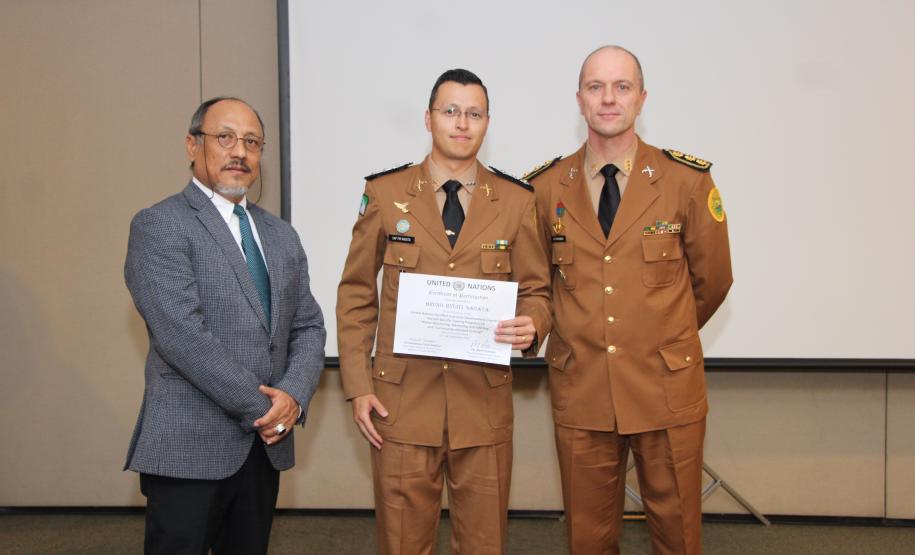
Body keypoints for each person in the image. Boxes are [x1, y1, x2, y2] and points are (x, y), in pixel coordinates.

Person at [526, 46, 733, 555]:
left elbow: (713, 281)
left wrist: (661, 333)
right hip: (583, 388)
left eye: (621, 87)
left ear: (642, 98)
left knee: (677, 531)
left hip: (665, 386)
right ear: (579, 100)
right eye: (596, 87)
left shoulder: (687, 180)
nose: (609, 99)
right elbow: (539, 286)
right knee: (588, 535)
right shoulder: (543, 187)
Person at [336, 69, 551, 555]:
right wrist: (358, 387)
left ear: (487, 123)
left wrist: (534, 322)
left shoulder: (517, 202)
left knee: (484, 545)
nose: (462, 123)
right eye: (450, 111)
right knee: (403, 544)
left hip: (483, 403)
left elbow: (538, 290)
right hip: (402, 403)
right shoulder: (386, 194)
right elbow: (355, 294)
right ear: (429, 119)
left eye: (474, 114)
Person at [123, 97, 326, 555]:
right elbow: (182, 336)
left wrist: (293, 395)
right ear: (192, 145)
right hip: (188, 449)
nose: (240, 151)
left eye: (252, 142)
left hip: (262, 453)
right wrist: (267, 410)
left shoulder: (280, 235)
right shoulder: (160, 225)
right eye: (225, 138)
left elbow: (309, 326)